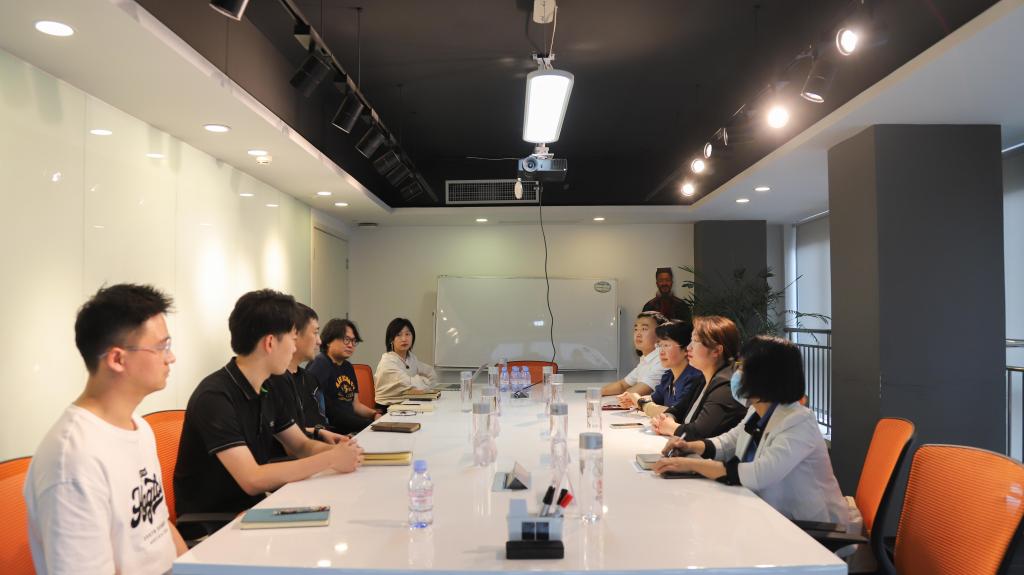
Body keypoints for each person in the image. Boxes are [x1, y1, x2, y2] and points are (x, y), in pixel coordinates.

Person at [24, 284, 187, 574]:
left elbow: (161, 528)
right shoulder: (72, 459)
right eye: (161, 347)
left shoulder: (140, 428)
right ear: (117, 359)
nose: (170, 357)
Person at [174, 290, 363, 522]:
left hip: (257, 508)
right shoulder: (214, 397)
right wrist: (331, 459)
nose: (294, 348)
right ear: (270, 343)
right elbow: (252, 479)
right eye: (292, 339)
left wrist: (345, 453)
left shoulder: (267, 387)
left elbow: (301, 445)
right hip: (216, 524)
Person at [653, 336, 849, 527]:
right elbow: (728, 443)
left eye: (742, 367)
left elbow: (759, 474)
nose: (736, 374)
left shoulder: (799, 422)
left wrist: (691, 465)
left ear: (765, 376)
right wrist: (689, 447)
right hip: (765, 516)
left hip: (809, 529)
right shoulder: (757, 411)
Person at [265, 304, 347, 453]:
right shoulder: (273, 380)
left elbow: (299, 439)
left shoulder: (305, 378)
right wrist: (332, 452)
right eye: (315, 333)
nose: (319, 341)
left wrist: (322, 435)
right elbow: (292, 447)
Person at [650, 315, 746, 440]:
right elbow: (678, 409)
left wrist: (671, 427)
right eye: (690, 340)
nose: (688, 347)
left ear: (716, 351)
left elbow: (700, 432)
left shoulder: (726, 383)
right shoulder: (702, 378)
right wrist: (667, 418)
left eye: (695, 341)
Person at [307, 318, 381, 434]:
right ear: (329, 341)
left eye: (354, 341)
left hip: (350, 426)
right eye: (346, 340)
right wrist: (369, 424)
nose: (351, 345)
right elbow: (329, 413)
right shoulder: (321, 364)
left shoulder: (348, 367)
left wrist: (375, 414)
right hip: (334, 430)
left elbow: (355, 405)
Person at [619, 320, 703, 417]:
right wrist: (633, 399)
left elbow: (677, 413)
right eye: (660, 346)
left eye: (666, 345)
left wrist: (640, 402)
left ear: (686, 349)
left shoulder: (694, 378)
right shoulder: (668, 376)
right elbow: (654, 398)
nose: (661, 352)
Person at [599, 311, 669, 400]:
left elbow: (634, 393)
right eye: (636, 329)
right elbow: (622, 385)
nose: (638, 334)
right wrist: (597, 392)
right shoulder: (645, 359)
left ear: (660, 335)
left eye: (644, 329)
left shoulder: (663, 360)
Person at [373, 318, 438, 407]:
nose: (404, 339)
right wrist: (422, 381)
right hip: (387, 407)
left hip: (407, 403)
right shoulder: (387, 362)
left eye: (407, 334)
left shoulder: (411, 358)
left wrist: (421, 383)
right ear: (391, 339)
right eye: (398, 335)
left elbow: (431, 373)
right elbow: (410, 384)